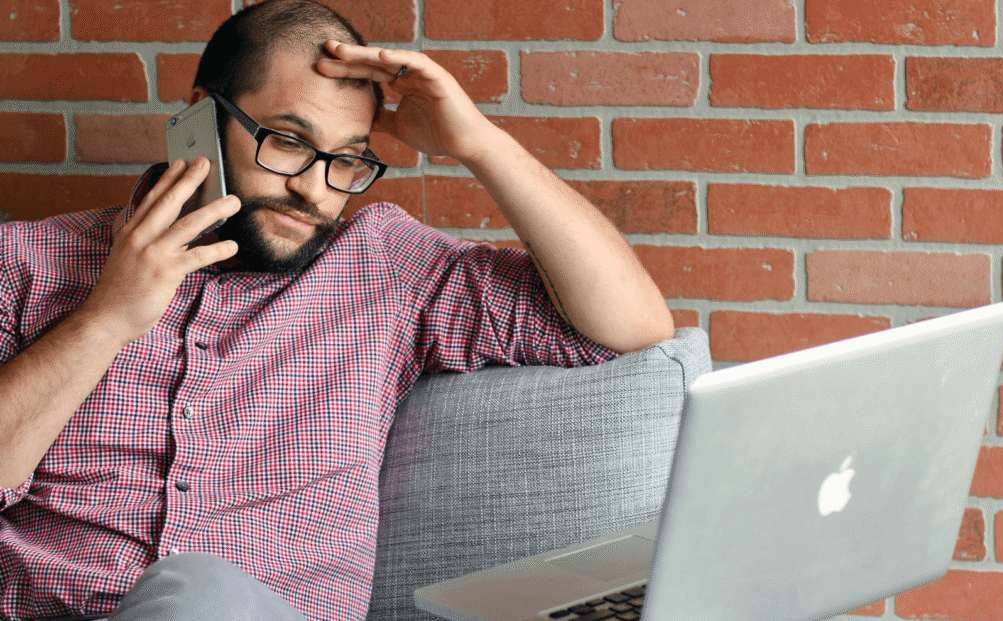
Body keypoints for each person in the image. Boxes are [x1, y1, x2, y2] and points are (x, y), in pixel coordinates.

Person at [0, 1, 674, 620]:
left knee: (199, 593)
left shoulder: (384, 267)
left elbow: (630, 324)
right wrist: (108, 318)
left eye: (347, 160)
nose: (313, 190)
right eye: (289, 141)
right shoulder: (26, 262)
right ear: (201, 119)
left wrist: (478, 143)